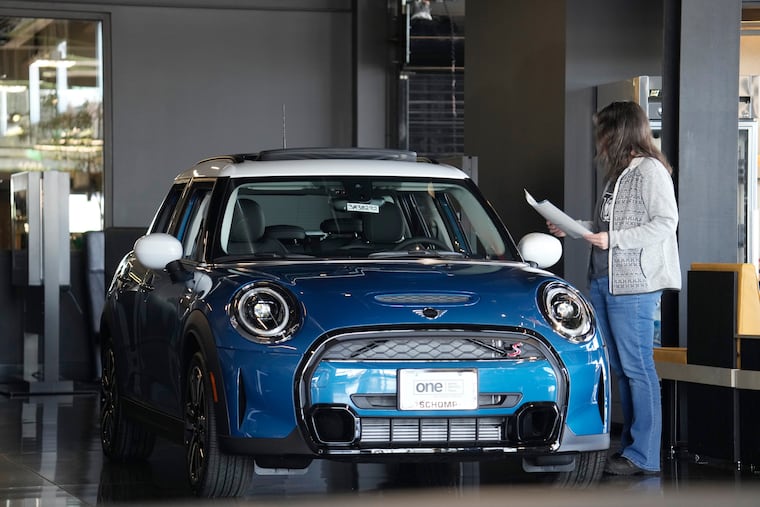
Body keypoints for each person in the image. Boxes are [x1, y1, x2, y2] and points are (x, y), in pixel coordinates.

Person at [547, 100, 681, 475]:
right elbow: (609, 224)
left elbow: (665, 223)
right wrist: (575, 225)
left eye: (603, 130)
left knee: (638, 368)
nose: (599, 138)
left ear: (620, 131)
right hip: (605, 282)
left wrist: (613, 238)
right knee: (621, 369)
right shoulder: (618, 174)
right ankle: (631, 450)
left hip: (633, 286)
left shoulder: (651, 172)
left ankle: (644, 456)